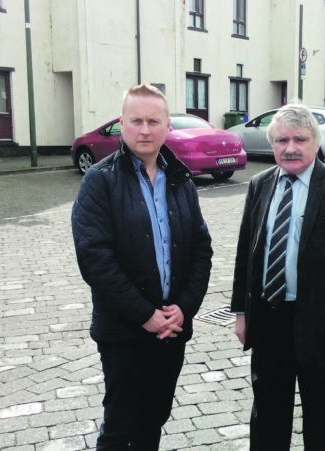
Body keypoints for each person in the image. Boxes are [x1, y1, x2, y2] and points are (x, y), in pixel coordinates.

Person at [71, 84, 213, 450]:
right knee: (120, 427)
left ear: (167, 126)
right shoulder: (100, 181)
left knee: (154, 420)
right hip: (124, 332)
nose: (145, 130)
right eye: (136, 121)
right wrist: (144, 315)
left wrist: (184, 308)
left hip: (172, 328)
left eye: (154, 121)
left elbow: (201, 248)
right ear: (122, 124)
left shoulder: (181, 179)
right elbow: (95, 261)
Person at [231, 103, 325, 450]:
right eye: (281, 140)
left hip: (321, 325)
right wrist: (241, 312)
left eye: (299, 139)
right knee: (267, 415)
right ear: (272, 143)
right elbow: (246, 253)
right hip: (268, 319)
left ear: (315, 141)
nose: (289, 148)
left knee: (322, 418)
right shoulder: (260, 185)